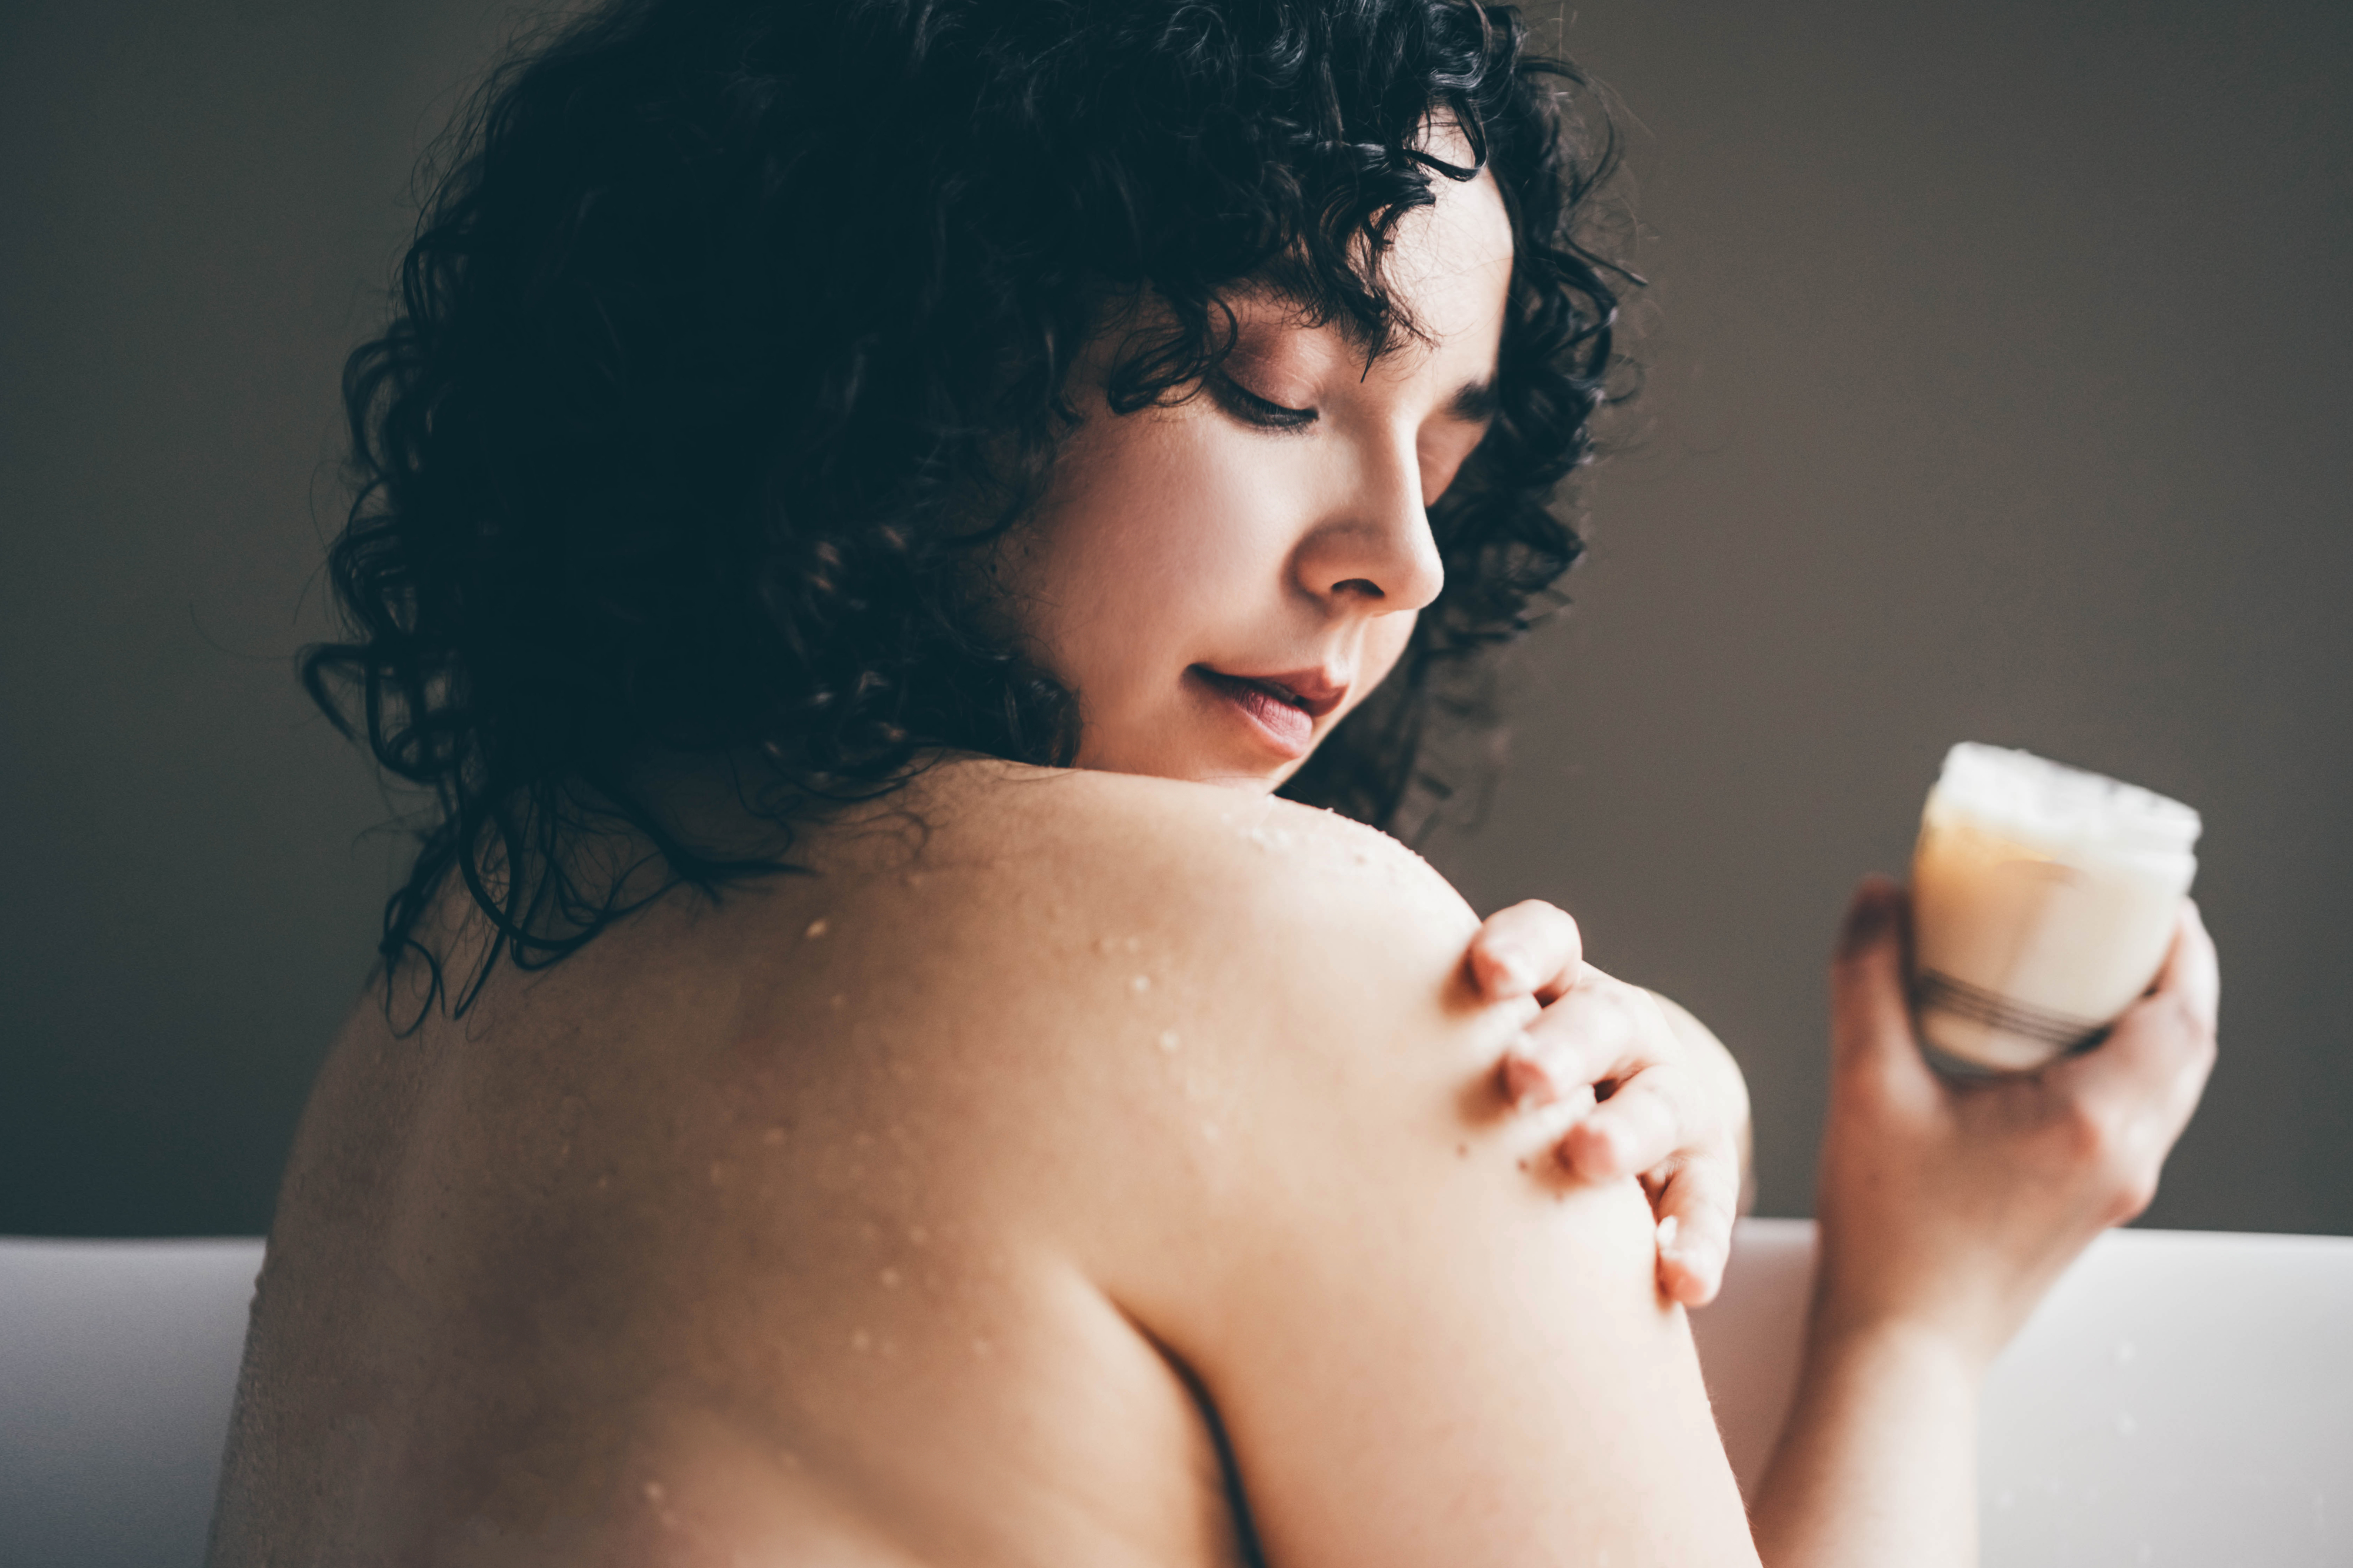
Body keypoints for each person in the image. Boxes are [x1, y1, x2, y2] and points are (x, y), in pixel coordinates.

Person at [208, 1, 2219, 1563]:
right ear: (910, 331)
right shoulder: (1294, 956)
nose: (1400, 558)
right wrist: (1915, 1323)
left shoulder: (453, 978)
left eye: (1444, 449)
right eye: (1276, 388)